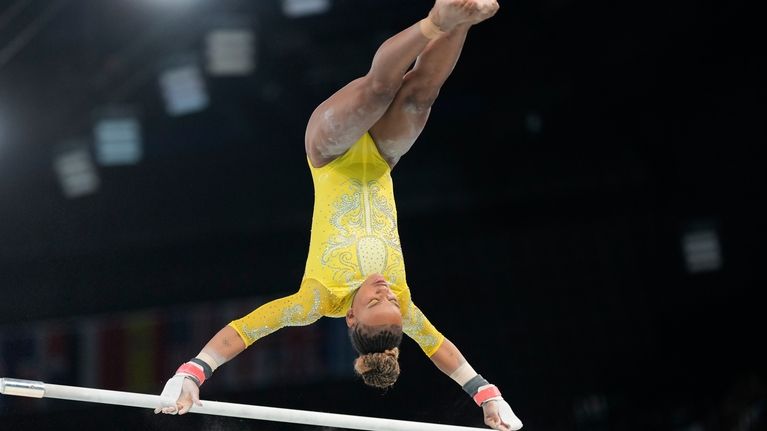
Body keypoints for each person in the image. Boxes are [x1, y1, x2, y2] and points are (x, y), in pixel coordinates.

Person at [155, 0, 522, 429]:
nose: (385, 291)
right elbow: (441, 349)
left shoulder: (318, 298)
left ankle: (433, 23)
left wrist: (192, 371)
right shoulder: (401, 303)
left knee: (379, 91)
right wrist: (487, 394)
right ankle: (461, 18)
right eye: (391, 301)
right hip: (381, 159)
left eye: (373, 300)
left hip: (329, 153)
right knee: (420, 96)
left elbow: (245, 330)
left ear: (351, 316)